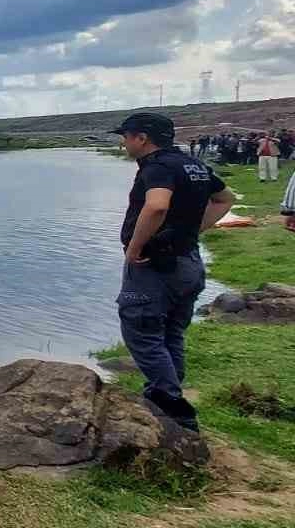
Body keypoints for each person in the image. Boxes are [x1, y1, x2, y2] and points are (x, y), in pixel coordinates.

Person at [112, 113, 235, 433]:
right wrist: (193, 231)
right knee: (170, 333)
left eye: (126, 136)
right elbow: (225, 198)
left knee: (141, 330)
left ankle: (171, 405)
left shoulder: (158, 167)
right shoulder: (191, 164)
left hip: (157, 267)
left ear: (142, 138)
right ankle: (164, 392)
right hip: (188, 262)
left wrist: (135, 247)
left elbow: (156, 206)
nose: (123, 142)